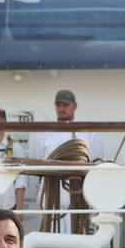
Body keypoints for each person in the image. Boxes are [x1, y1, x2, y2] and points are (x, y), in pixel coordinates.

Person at [31, 89, 100, 234]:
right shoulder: (43, 132)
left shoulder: (89, 132)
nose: (61, 109)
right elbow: (37, 163)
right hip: (51, 193)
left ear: (74, 106)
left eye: (65, 105)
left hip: (79, 194)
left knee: (79, 237)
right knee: (52, 241)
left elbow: (96, 163)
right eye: (59, 105)